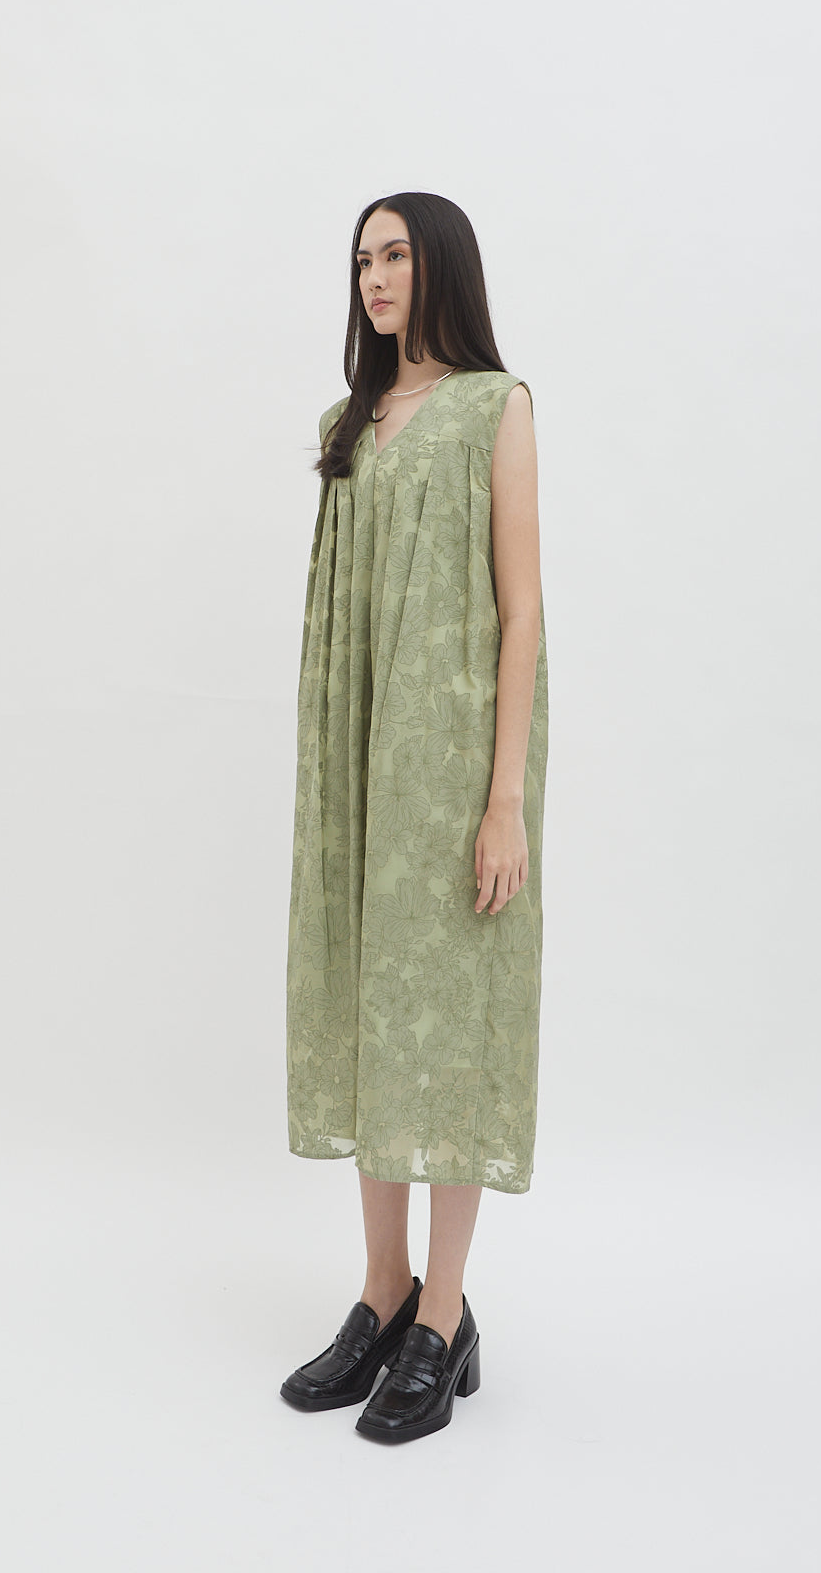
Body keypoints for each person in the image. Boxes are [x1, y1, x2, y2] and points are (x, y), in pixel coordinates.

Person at [280, 192, 548, 1443]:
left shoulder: (497, 407)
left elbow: (522, 607)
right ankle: (383, 1289)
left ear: (440, 265)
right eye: (361, 260)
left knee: (448, 1016)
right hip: (360, 752)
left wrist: (504, 799)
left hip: (451, 765)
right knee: (369, 1007)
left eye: (395, 254)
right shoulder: (348, 424)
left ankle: (445, 1311)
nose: (375, 277)